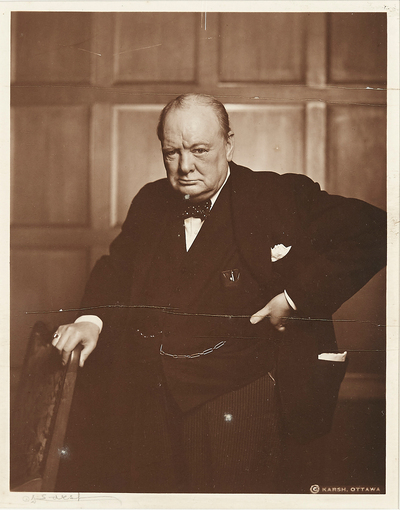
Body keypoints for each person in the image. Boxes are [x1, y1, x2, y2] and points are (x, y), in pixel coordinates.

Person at [54, 93, 386, 493]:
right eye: (172, 152)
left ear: (228, 144)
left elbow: (377, 229)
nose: (184, 166)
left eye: (199, 150)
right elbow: (117, 268)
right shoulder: (150, 200)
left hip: (243, 398)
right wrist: (90, 320)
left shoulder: (277, 195)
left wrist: (295, 298)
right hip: (151, 399)